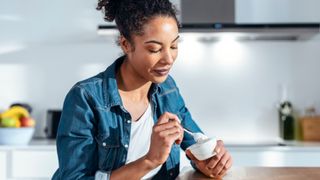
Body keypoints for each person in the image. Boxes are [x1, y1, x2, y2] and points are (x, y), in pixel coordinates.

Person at [52, 0, 232, 179]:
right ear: (126, 45)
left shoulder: (167, 89)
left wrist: (209, 161)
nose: (168, 59)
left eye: (174, 46)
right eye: (154, 49)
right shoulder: (86, 98)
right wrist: (150, 160)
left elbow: (195, 144)